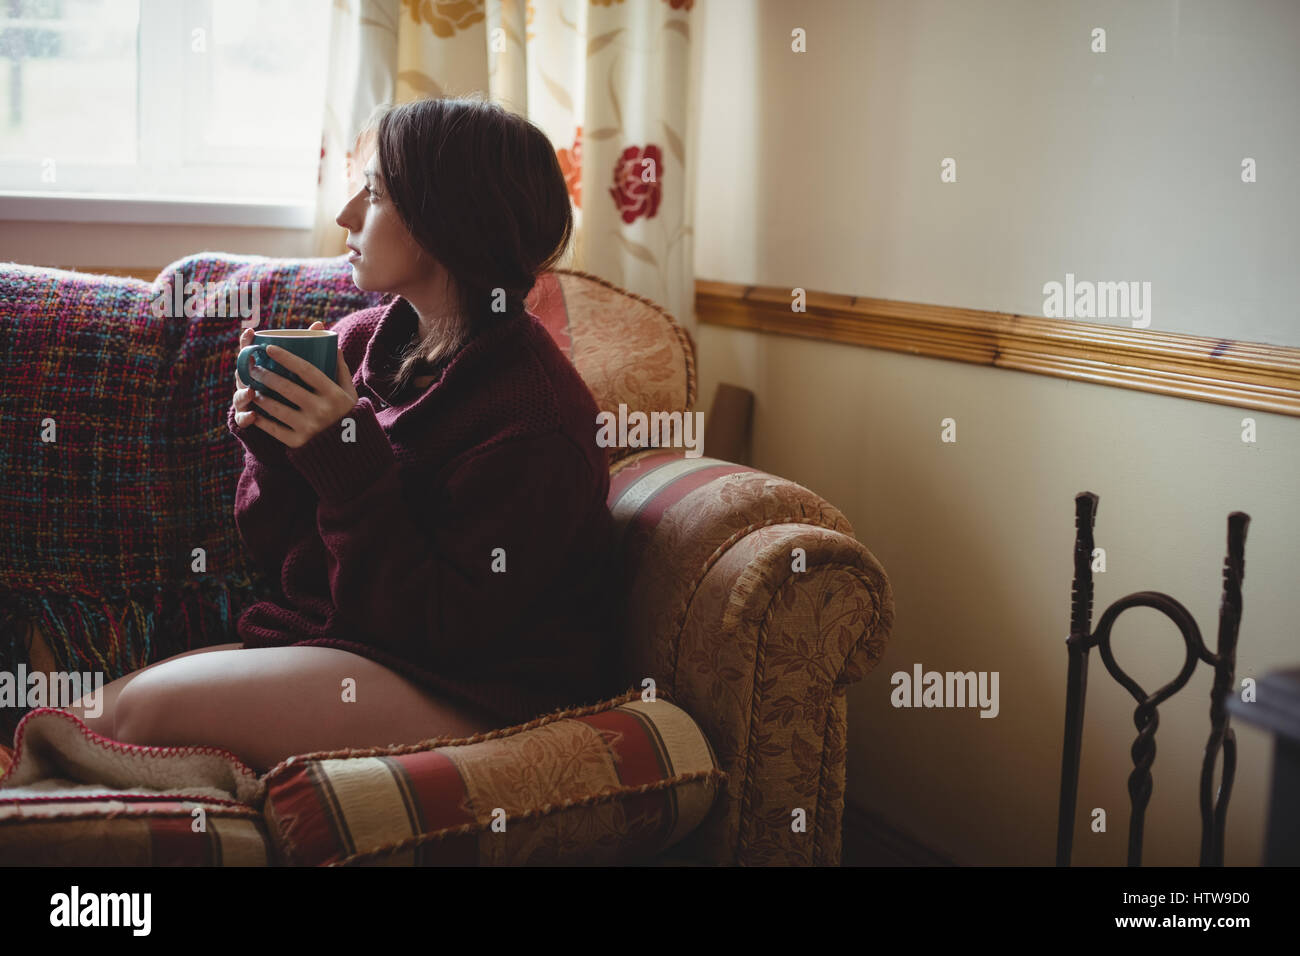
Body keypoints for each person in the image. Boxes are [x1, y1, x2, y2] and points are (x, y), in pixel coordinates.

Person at [58, 95, 617, 773]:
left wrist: (346, 459)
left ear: (445, 221)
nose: (345, 214)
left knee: (143, 716)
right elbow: (284, 560)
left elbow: (441, 627)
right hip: (355, 647)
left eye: (374, 193)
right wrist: (276, 453)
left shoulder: (537, 422)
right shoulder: (362, 344)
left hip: (474, 686)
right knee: (79, 717)